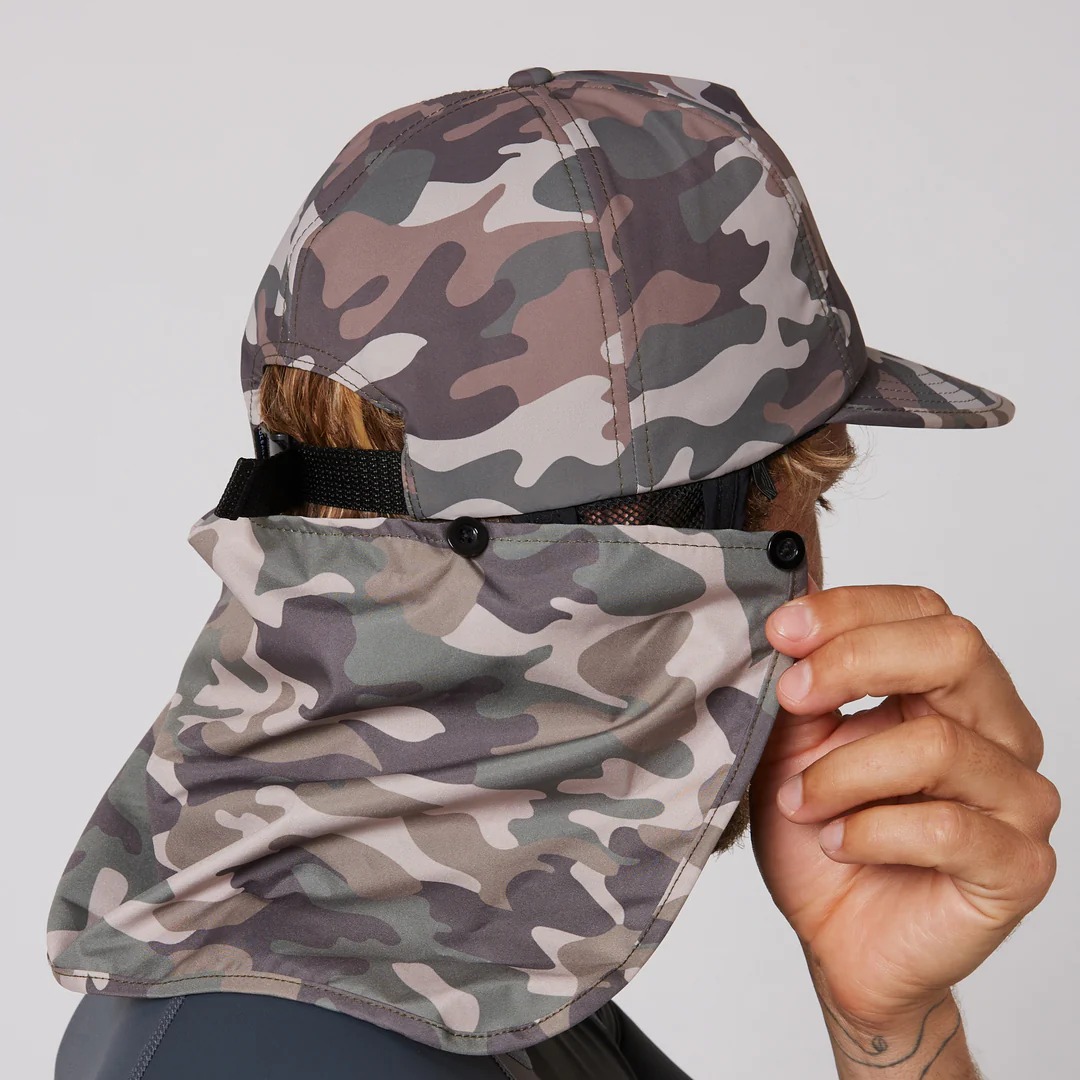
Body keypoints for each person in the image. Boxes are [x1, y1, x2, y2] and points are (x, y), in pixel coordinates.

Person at [49, 68, 1059, 1079]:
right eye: (805, 513)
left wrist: (884, 1017)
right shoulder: (291, 1052)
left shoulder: (448, 987)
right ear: (669, 574)